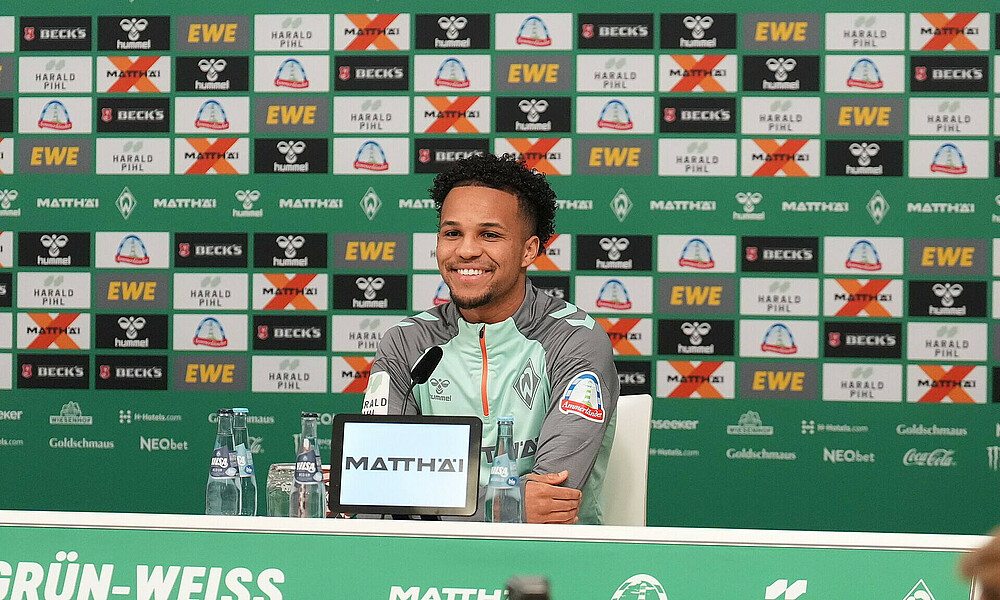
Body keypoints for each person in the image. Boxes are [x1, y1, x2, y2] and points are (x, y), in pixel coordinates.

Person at [362, 153, 619, 524]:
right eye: (452, 233)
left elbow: (552, 498)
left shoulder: (574, 339)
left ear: (529, 250)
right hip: (428, 563)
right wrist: (505, 507)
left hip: (550, 564)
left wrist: (428, 503)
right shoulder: (406, 342)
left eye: (489, 234)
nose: (466, 250)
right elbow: (379, 489)